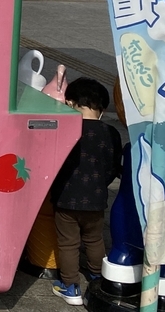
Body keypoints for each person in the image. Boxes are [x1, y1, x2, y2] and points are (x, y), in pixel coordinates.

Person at [49, 77, 122, 306]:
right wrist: (100, 183)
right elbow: (113, 165)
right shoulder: (111, 133)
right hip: (96, 198)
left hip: (66, 198)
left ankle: (70, 286)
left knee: (68, 243)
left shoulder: (64, 129)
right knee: (94, 238)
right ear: (103, 108)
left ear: (70, 103)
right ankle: (98, 275)